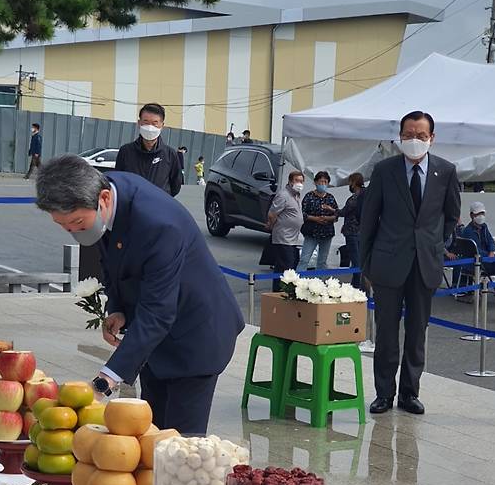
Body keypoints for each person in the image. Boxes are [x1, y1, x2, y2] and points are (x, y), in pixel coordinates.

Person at [35, 156, 244, 433]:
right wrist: (117, 307)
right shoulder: (109, 195)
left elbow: (158, 313)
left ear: (104, 199)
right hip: (154, 341)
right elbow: (111, 260)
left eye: (77, 223)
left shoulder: (158, 225)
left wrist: (104, 381)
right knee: (149, 438)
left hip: (196, 335)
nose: (73, 232)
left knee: (180, 450)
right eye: (64, 226)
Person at [360, 110, 460, 416]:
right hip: (389, 263)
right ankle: (383, 393)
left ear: (432, 137)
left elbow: (452, 216)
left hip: (425, 264)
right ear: (400, 136)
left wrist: (435, 246)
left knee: (417, 333)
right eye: (408, 135)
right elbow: (369, 219)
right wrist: (367, 263)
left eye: (420, 135)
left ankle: (409, 393)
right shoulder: (385, 170)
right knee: (387, 332)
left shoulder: (446, 171)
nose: (414, 140)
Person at [115, 103, 182, 197]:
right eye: (146, 122)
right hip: (131, 207)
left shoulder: (170, 154)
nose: (150, 127)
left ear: (162, 125)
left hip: (158, 207)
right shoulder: (126, 151)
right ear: (139, 123)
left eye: (155, 123)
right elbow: (119, 181)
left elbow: (175, 186)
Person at [461, 201, 495, 305]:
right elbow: (475, 250)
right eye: (478, 214)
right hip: (476, 262)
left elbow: (491, 240)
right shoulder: (468, 231)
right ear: (471, 215)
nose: (481, 216)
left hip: (486, 259)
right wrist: (491, 256)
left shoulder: (484, 227)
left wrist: (492, 252)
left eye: (482, 213)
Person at [266, 170, 304, 291]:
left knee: (292, 265)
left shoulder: (296, 195)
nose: (299, 183)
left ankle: (286, 291)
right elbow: (272, 214)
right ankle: (278, 292)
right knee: (284, 266)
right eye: (297, 181)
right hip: (283, 238)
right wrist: (271, 226)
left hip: (293, 239)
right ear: (290, 181)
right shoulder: (283, 195)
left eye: (301, 181)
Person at [297, 171, 338, 273]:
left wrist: (329, 218)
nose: (323, 184)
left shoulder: (330, 198)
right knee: (304, 259)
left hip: (327, 233)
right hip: (311, 233)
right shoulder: (309, 196)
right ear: (315, 182)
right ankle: (298, 283)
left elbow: (337, 214)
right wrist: (314, 218)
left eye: (325, 182)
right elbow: (302, 213)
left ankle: (320, 283)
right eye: (321, 182)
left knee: (322, 261)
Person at [337, 172, 366, 287]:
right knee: (361, 261)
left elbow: (344, 212)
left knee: (356, 262)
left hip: (353, 232)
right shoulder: (367, 194)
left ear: (353, 182)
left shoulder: (355, 197)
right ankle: (362, 287)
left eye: (350, 182)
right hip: (363, 232)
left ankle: (356, 287)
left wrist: (332, 210)